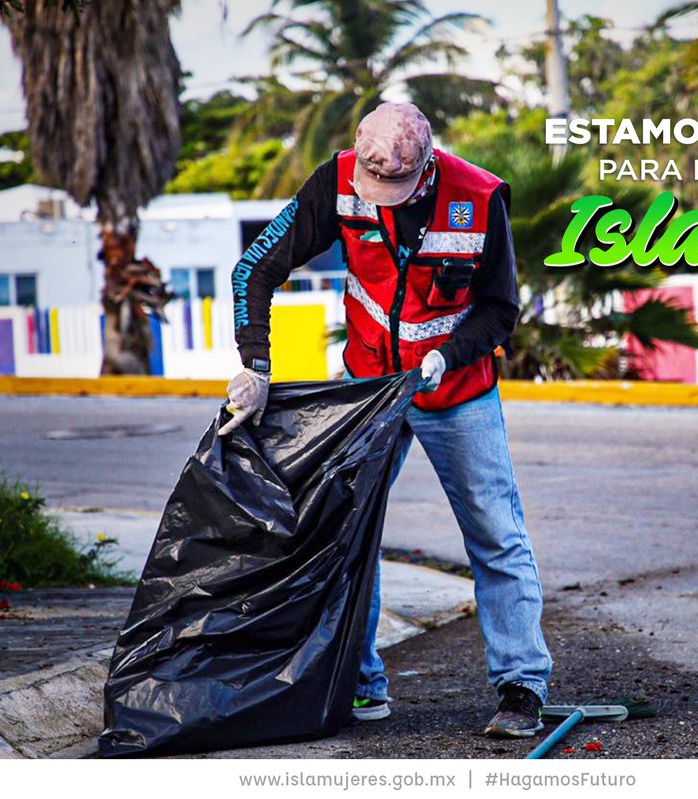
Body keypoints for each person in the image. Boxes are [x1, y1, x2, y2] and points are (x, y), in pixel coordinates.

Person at [220, 102, 552, 738]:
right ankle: (362, 685)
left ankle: (520, 687)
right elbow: (255, 269)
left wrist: (444, 356)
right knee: (350, 532)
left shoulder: (479, 199)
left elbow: (500, 309)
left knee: (495, 532)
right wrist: (256, 367)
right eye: (378, 188)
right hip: (367, 385)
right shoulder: (338, 183)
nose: (386, 201)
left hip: (455, 389)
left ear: (427, 165)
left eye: (399, 187)